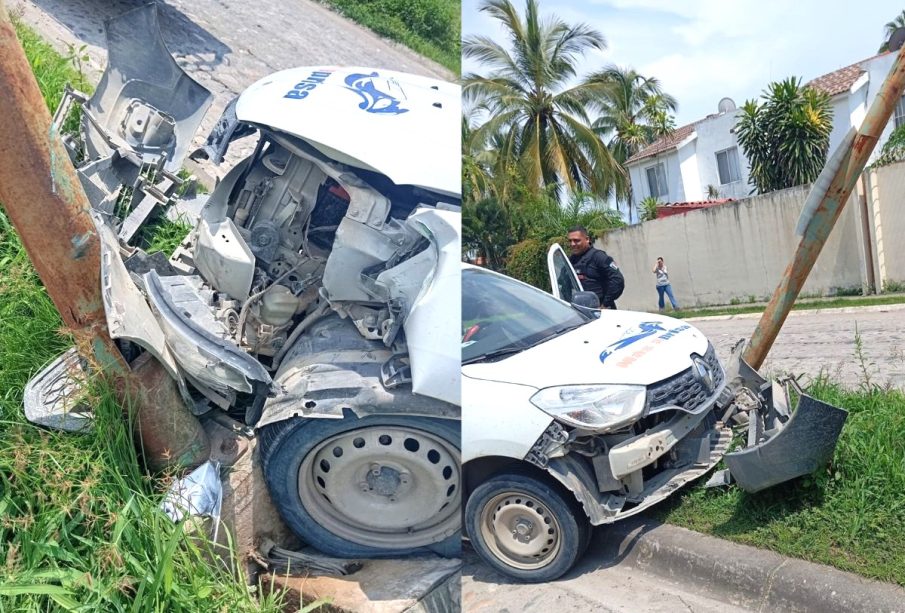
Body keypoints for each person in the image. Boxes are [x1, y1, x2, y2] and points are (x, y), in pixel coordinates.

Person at [567, 226, 624, 309]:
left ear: (587, 239)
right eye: (570, 241)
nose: (572, 244)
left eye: (576, 240)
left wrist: (605, 304)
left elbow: (617, 280)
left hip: (602, 310)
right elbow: (562, 283)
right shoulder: (571, 260)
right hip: (580, 310)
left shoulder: (599, 257)